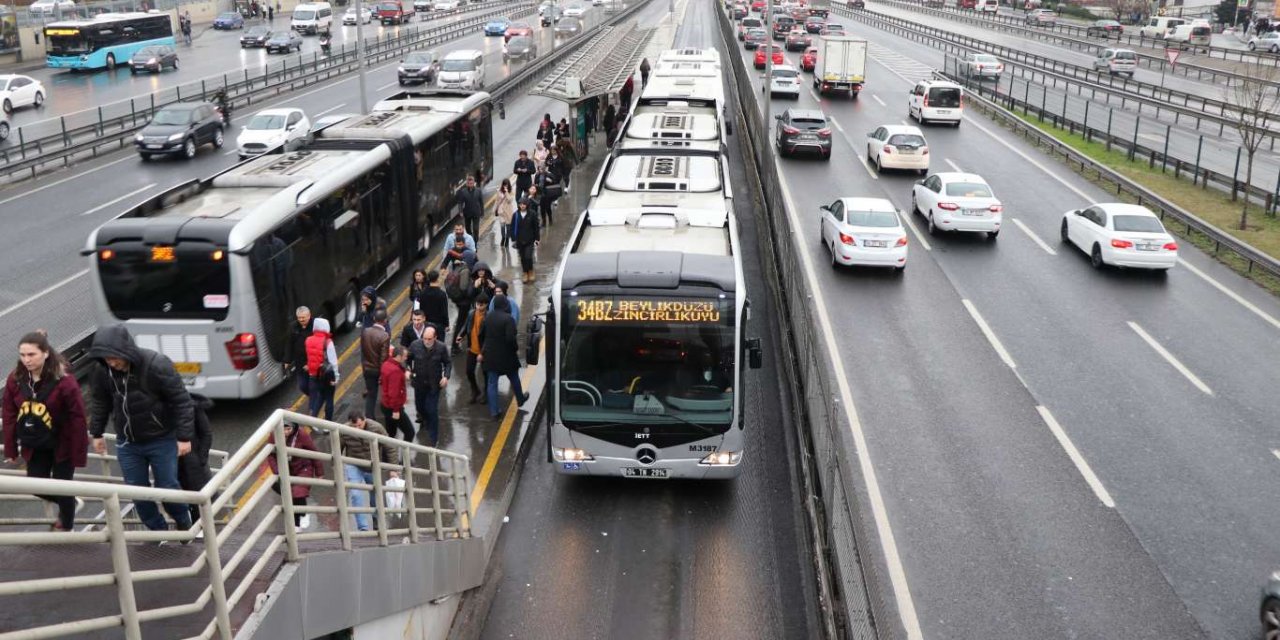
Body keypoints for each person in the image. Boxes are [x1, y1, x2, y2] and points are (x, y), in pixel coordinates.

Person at [87, 325, 195, 532]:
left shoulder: (156, 364)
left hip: (161, 438)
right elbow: (100, 401)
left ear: (125, 350)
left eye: (114, 357)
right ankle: (158, 532)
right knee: (138, 493)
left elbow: (182, 401)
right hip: (128, 442)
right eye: (106, 359)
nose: (112, 363)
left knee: (167, 488)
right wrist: (97, 433)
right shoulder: (102, 371)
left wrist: (184, 437)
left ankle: (184, 521)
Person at [2, 331, 87, 532]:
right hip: (35, 441)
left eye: (31, 355)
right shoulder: (15, 379)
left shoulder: (64, 381)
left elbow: (78, 418)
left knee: (62, 484)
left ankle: (66, 527)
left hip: (61, 443)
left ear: (46, 354)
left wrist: (78, 453)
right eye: (23, 355)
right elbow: (9, 414)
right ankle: (69, 502)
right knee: (36, 485)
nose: (26, 360)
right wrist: (11, 449)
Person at [340, 411, 399, 532]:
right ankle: (363, 528)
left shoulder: (376, 427)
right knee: (356, 495)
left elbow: (389, 446)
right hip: (354, 464)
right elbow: (337, 447)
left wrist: (394, 468)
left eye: (360, 425)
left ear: (365, 419)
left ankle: (376, 519)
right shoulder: (344, 430)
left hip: (372, 465)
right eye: (354, 426)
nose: (357, 429)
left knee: (375, 495)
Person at [480, 295, 528, 419]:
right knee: (514, 377)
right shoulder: (509, 319)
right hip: (507, 355)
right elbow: (510, 338)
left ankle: (494, 412)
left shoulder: (488, 317)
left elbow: (481, 335)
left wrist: (484, 350)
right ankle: (520, 399)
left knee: (492, 383)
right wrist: (515, 348)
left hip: (490, 355)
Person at [267, 422, 322, 529]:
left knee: (297, 491)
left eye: (289, 429)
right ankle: (297, 522)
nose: (286, 432)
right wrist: (277, 471)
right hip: (286, 468)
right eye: (284, 429)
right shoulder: (274, 435)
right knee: (284, 489)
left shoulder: (302, 435)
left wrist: (319, 472)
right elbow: (271, 455)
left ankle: (302, 516)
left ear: (294, 427)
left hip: (303, 467)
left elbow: (314, 451)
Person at [407, 327, 451, 446]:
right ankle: (426, 420)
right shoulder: (415, 345)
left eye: (429, 339)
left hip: (434, 385)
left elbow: (447, 363)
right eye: (425, 338)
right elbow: (407, 359)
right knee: (420, 408)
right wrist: (407, 369)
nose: (426, 341)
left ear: (435, 338)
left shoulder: (441, 348)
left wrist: (446, 377)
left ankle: (433, 438)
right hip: (419, 384)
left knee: (432, 410)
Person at [454, 294, 489, 404]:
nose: (478, 307)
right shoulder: (471, 313)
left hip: (483, 351)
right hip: (472, 348)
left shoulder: (488, 317)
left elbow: (488, 337)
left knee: (486, 374)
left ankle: (486, 393)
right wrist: (461, 335)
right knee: (469, 371)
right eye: (477, 304)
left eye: (481, 305)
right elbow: (466, 326)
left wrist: (482, 353)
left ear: (486, 305)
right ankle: (475, 391)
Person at [304, 318, 339, 420]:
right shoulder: (327, 342)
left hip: (315, 374)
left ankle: (313, 419)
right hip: (327, 374)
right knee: (329, 398)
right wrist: (336, 376)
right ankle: (327, 424)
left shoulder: (308, 340)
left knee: (320, 396)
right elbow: (333, 361)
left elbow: (310, 357)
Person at [360, 309, 390, 418]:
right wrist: (382, 375)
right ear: (385, 321)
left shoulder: (366, 332)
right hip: (378, 370)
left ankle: (369, 417)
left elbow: (363, 351)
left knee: (371, 396)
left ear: (374, 319)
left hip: (367, 369)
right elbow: (384, 358)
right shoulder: (385, 336)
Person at [380, 345, 413, 442]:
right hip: (393, 408)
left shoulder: (386, 364)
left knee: (390, 434)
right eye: (405, 356)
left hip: (385, 404)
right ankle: (405, 456)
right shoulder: (395, 372)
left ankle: (387, 455)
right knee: (409, 432)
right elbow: (393, 393)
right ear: (398, 356)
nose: (406, 358)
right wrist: (396, 410)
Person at [283, 306, 314, 396]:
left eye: (303, 317)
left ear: (309, 316)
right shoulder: (293, 327)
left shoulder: (315, 326)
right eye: (299, 318)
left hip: (313, 361)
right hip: (300, 362)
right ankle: (314, 396)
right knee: (303, 386)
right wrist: (287, 360)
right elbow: (289, 343)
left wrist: (310, 364)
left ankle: (315, 400)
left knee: (315, 385)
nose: (301, 320)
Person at [512, 198, 541, 284]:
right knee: (523, 258)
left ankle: (530, 271)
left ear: (527, 205)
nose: (522, 206)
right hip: (519, 240)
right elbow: (513, 227)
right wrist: (513, 239)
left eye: (524, 204)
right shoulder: (516, 215)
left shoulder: (532, 214)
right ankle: (525, 272)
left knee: (528, 256)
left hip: (529, 240)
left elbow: (536, 227)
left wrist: (537, 239)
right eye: (520, 204)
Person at [418, 271, 452, 338]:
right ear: (437, 279)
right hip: (439, 325)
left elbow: (421, 309)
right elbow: (444, 311)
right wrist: (447, 324)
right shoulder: (441, 294)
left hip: (426, 323)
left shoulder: (422, 293)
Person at [494, 179, 516, 248]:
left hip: (508, 212)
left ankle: (507, 238)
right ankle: (503, 238)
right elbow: (497, 201)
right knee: (502, 227)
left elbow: (510, 200)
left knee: (508, 227)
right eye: (504, 184)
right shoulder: (499, 191)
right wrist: (495, 209)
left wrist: (506, 192)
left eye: (506, 184)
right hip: (501, 212)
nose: (505, 186)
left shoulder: (511, 191)